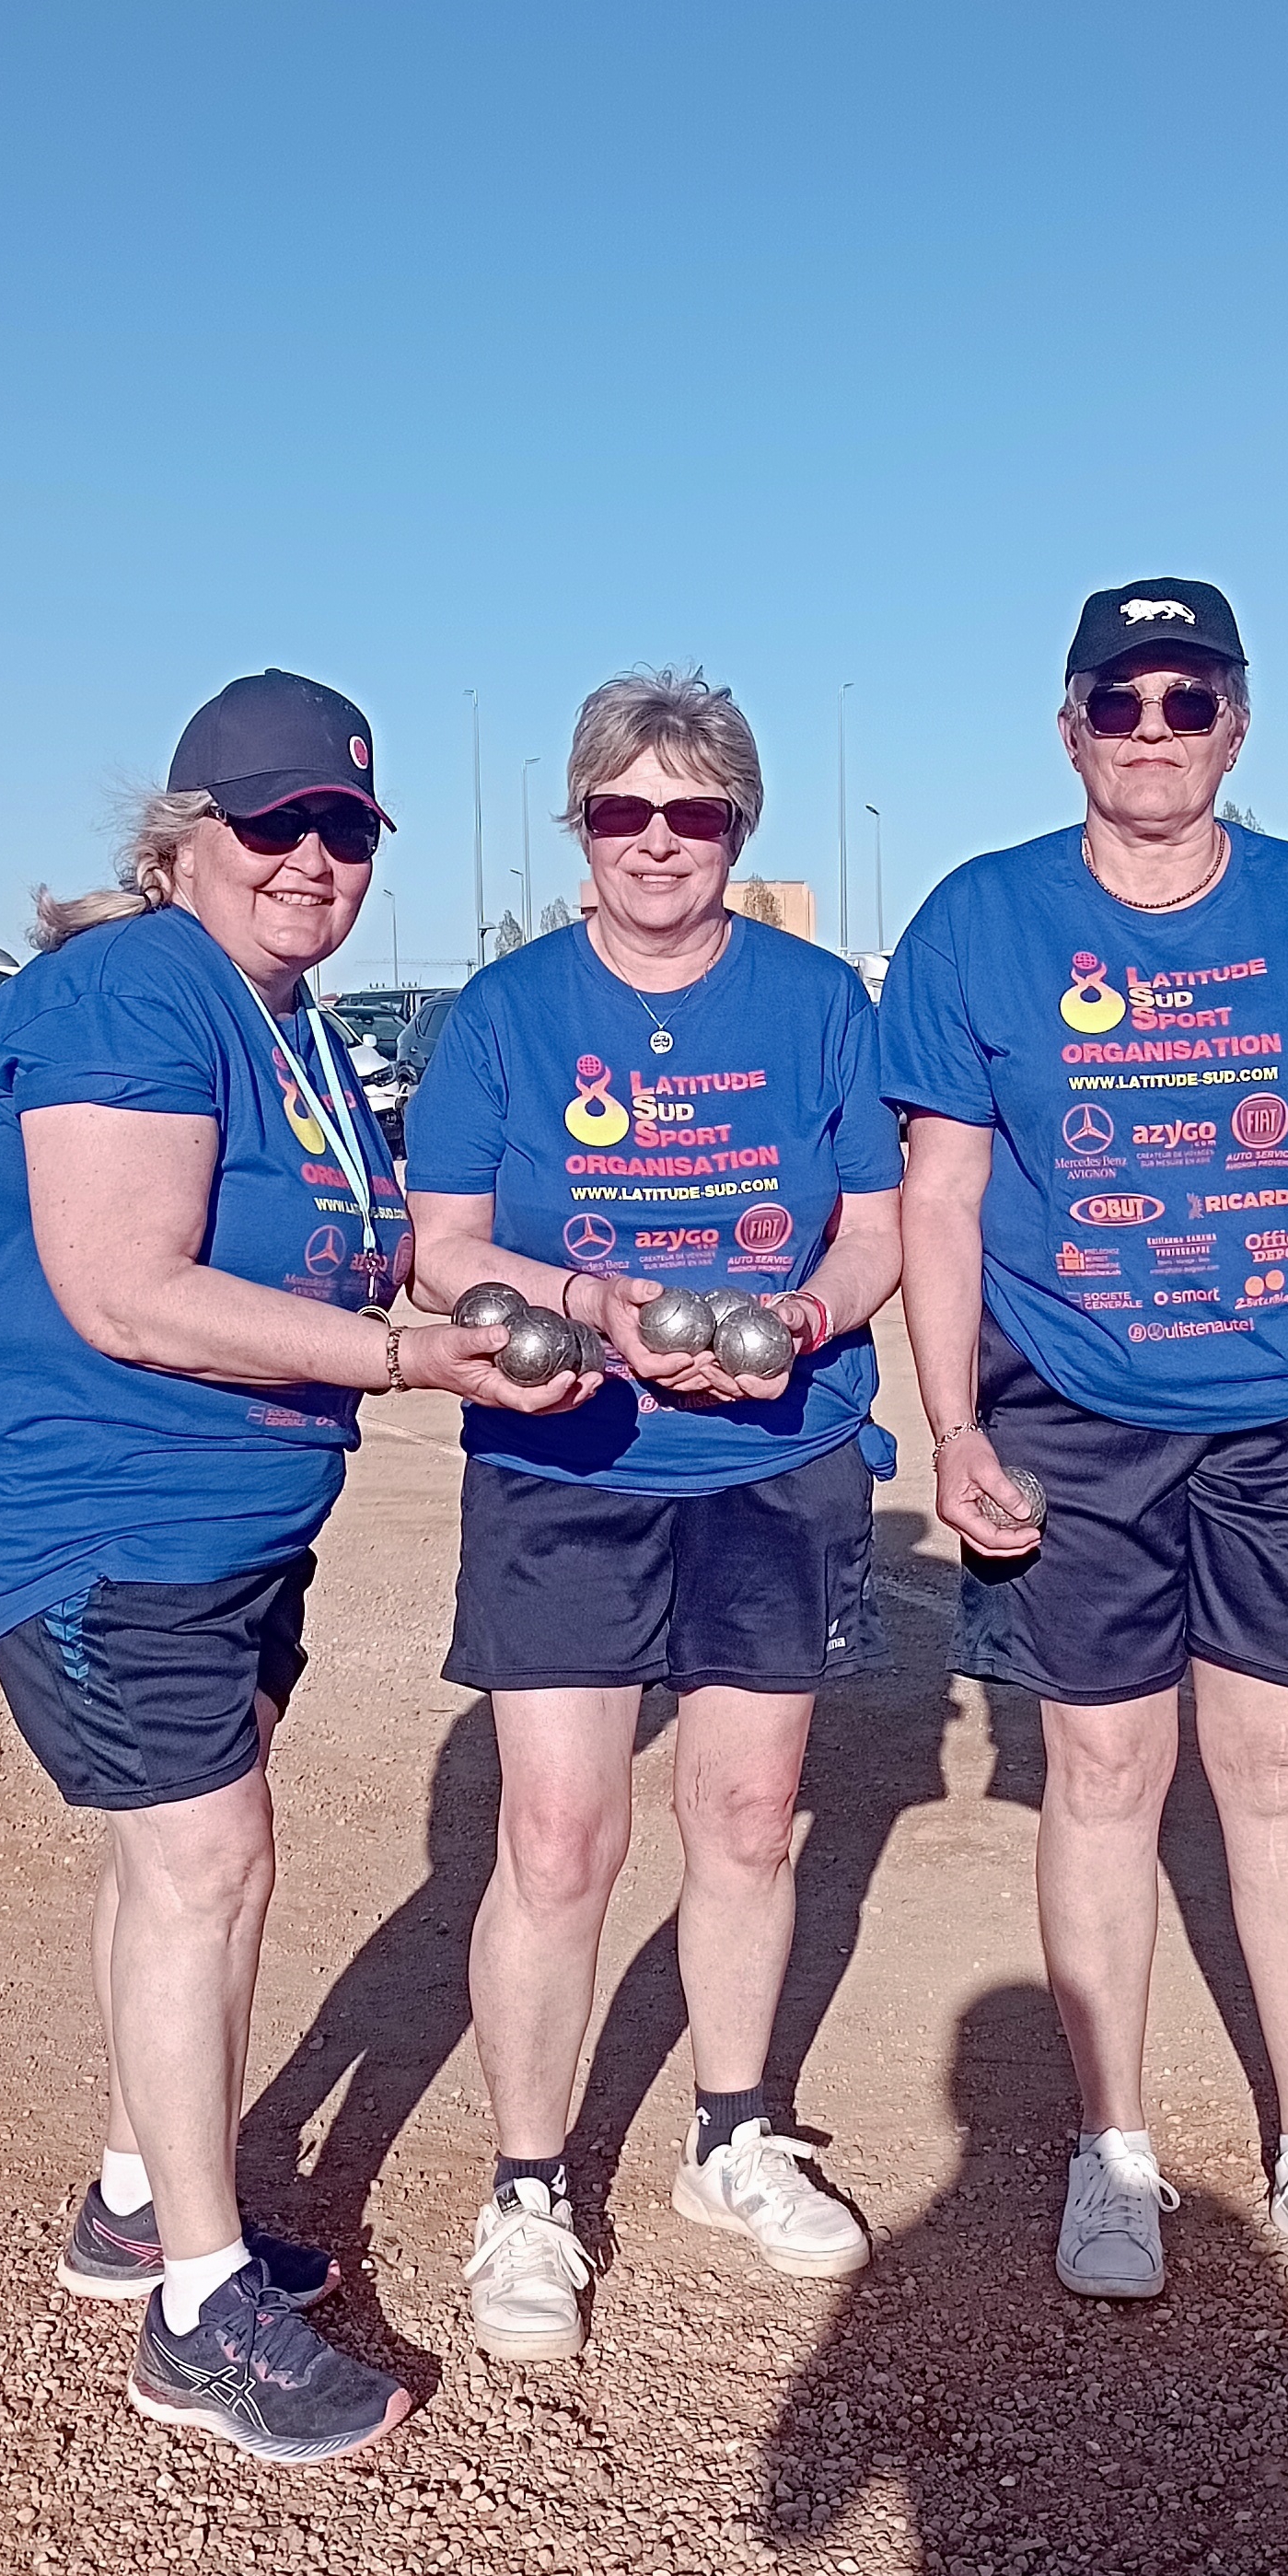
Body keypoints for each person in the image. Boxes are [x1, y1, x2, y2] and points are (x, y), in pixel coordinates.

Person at [0, 669, 556, 2468]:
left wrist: (511, 1315)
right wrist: (408, 1365)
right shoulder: (132, 990)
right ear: (184, 835)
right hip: (98, 1511)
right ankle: (199, 2308)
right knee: (207, 1859)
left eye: (344, 827)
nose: (310, 855)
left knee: (187, 1854)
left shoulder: (287, 1021)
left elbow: (363, 1259)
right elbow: (127, 1289)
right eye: (273, 822)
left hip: (228, 1518)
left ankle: (137, 2197)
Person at [881, 577, 1288, 2305]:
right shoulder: (982, 919)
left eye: (1189, 697)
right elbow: (942, 1189)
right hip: (1075, 1407)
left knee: (1285, 1772)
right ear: (1070, 724)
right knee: (1107, 1774)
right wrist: (953, 1420)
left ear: (1238, 720)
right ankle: (1114, 2148)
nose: (1156, 729)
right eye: (1122, 700)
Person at [405, 668, 904, 2362]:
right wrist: (585, 1296)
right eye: (624, 812)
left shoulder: (822, 999)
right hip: (566, 1463)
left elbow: (874, 1229)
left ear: (737, 828)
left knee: (751, 1818)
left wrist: (811, 1329)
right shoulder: (504, 1010)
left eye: (693, 814)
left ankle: (731, 2133)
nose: (658, 844)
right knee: (556, 1838)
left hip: (774, 1453)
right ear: (582, 826)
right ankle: (529, 2188)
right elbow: (444, 1244)